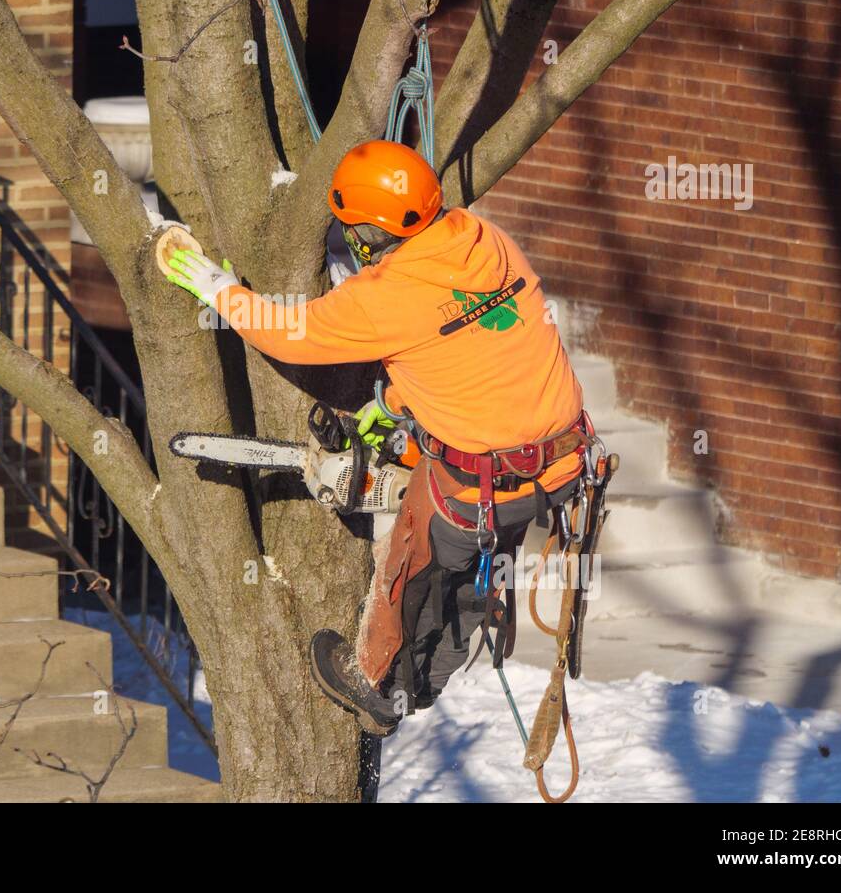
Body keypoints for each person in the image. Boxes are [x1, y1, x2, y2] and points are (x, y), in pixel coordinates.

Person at [165, 139, 590, 736]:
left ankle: (374, 681)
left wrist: (216, 287)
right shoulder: (483, 240)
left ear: (366, 232)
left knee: (410, 565)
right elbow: (470, 344)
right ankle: (438, 662)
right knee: (473, 569)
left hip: (479, 482)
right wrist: (393, 402)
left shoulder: (382, 298)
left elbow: (284, 332)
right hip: (561, 465)